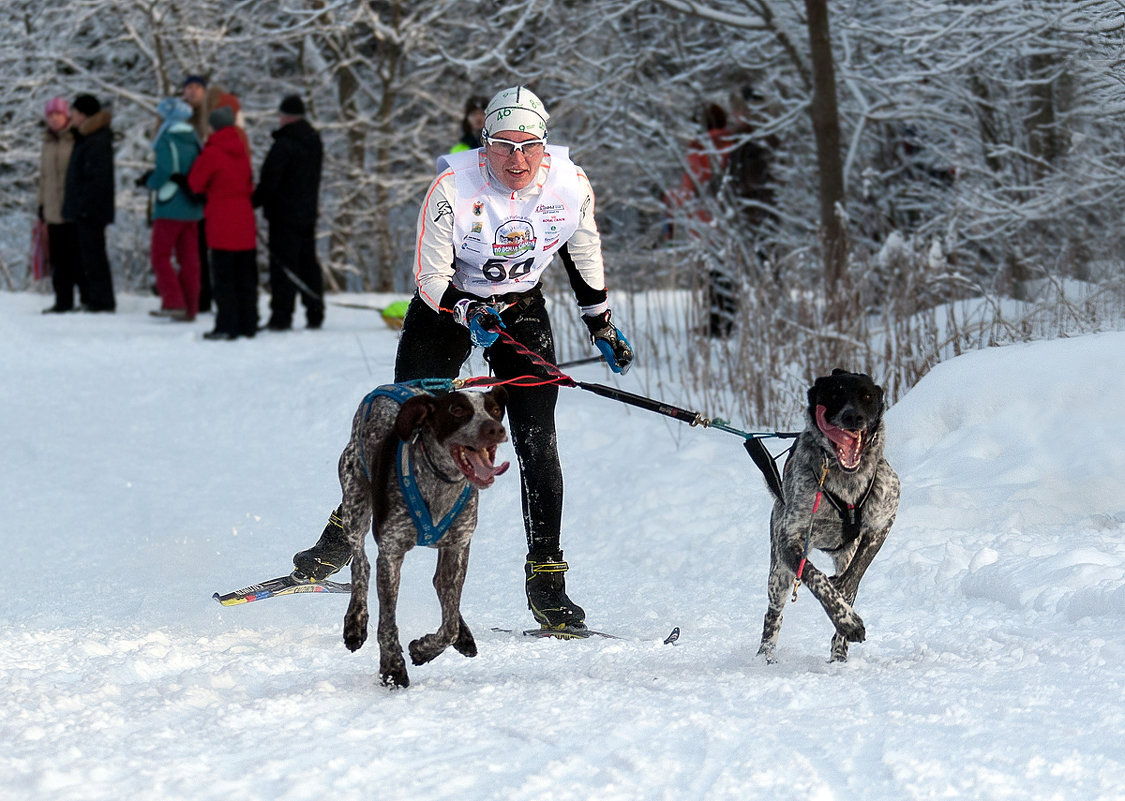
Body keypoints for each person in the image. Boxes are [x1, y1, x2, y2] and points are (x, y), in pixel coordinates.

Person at [290, 86, 634, 631]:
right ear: (484, 145)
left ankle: (547, 578)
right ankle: (342, 532)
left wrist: (601, 323)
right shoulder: (452, 186)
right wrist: (467, 308)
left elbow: (582, 249)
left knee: (536, 437)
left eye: (528, 146)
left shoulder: (571, 184)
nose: (516, 159)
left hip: (519, 308)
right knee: (402, 426)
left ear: (545, 146)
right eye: (503, 146)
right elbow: (429, 280)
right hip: (445, 307)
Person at [183, 102, 258, 340]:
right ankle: (248, 323)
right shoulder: (242, 151)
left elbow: (195, 182)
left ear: (213, 127)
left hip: (221, 219)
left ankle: (226, 325)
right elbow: (248, 184)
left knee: (224, 277)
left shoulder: (212, 152)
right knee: (245, 276)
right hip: (244, 218)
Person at [253, 94, 325, 331]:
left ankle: (281, 316)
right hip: (307, 213)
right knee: (307, 262)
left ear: (284, 116)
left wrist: (254, 201)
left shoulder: (283, 144)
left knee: (283, 267)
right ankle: (315, 312)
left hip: (283, 216)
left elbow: (270, 179)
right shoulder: (314, 141)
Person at [138, 97, 204, 321]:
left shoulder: (167, 137)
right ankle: (191, 305)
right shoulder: (194, 138)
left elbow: (164, 169)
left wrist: (149, 182)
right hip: (192, 206)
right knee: (190, 258)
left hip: (170, 204)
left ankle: (173, 301)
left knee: (160, 255)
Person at [63, 93, 116, 313]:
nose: (71, 116)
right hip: (88, 208)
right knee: (89, 254)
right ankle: (96, 297)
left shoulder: (95, 140)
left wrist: (84, 205)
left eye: (74, 112)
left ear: (83, 114)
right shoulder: (87, 137)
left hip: (91, 210)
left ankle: (101, 300)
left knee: (94, 255)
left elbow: (96, 178)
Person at [37, 96, 83, 313]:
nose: (54, 119)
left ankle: (84, 298)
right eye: (50, 115)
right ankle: (62, 300)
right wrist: (41, 205)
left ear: (67, 116)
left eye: (58, 114)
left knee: (76, 256)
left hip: (72, 209)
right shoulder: (47, 143)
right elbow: (44, 177)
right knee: (57, 258)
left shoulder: (75, 140)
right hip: (53, 210)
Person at [182, 74, 213, 313]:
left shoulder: (209, 116)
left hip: (204, 187)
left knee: (201, 243)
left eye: (197, 88)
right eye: (189, 87)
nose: (192, 92)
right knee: (186, 245)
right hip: (181, 185)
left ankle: (203, 294)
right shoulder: (174, 115)